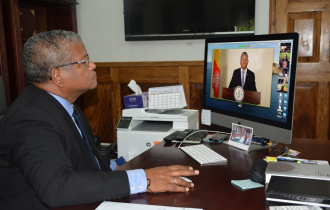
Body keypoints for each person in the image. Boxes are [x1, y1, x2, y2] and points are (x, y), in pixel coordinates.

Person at [0, 30, 199, 209]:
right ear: (57, 76)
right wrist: (143, 179)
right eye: (84, 61)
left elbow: (88, 163)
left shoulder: (65, 105)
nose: (93, 65)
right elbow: (57, 188)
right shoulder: (31, 118)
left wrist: (126, 166)